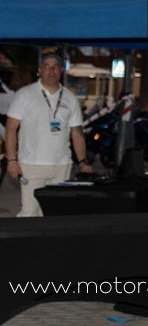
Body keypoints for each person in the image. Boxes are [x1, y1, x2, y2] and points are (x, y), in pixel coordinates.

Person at [4, 52, 92, 217]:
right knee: (30, 211)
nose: (51, 71)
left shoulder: (70, 98)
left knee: (55, 212)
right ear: (40, 70)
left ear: (61, 71)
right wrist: (12, 160)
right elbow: (10, 128)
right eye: (47, 66)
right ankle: (22, 242)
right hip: (32, 165)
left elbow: (77, 133)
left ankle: (47, 242)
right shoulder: (24, 94)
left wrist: (82, 160)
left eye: (55, 67)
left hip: (62, 166)